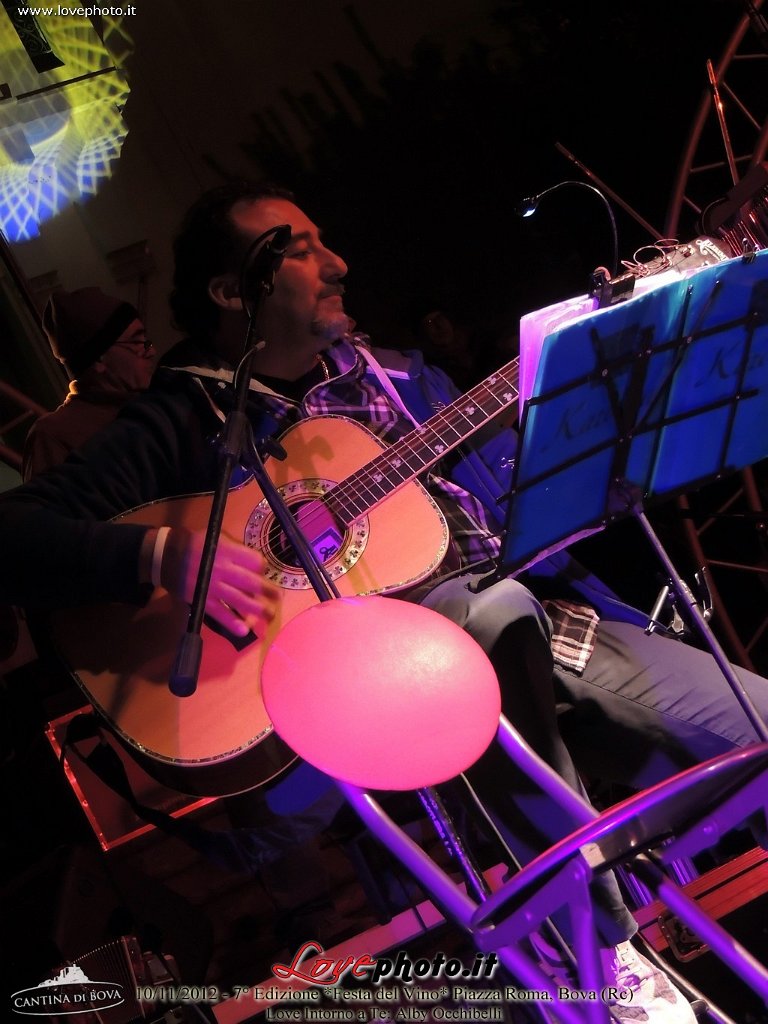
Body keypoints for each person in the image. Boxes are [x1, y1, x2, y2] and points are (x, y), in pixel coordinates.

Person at [1, 181, 766, 1021]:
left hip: (550, 631)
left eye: (325, 241)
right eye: (298, 250)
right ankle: (608, 954)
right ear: (230, 292)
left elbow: (520, 503)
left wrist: (588, 464)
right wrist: (156, 553)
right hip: (392, 710)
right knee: (479, 616)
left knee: (753, 730)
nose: (337, 263)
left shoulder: (397, 378)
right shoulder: (180, 423)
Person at [22, 286, 157, 480]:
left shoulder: (156, 404)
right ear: (99, 359)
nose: (151, 351)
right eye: (137, 343)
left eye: (146, 342)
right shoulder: (53, 436)